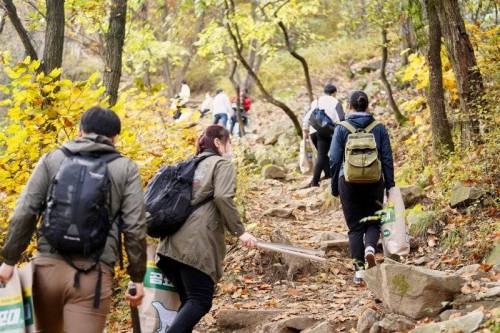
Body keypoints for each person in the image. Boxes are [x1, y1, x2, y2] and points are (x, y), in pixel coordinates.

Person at [0, 107, 147, 332]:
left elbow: (25, 211)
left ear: (80, 131)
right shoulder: (125, 168)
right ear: (115, 137)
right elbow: (135, 227)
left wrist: (9, 261)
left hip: (45, 272)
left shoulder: (52, 159)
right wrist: (137, 277)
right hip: (93, 276)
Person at [156, 125, 257, 332]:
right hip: (194, 245)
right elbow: (222, 196)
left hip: (169, 245)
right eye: (229, 142)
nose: (230, 147)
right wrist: (240, 231)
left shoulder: (188, 164)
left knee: (187, 301)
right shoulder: (222, 164)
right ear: (218, 142)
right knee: (200, 300)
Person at [329, 91, 395, 284]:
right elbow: (387, 158)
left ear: (350, 106)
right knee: (374, 222)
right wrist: (390, 185)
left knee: (355, 228)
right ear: (367, 105)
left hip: (348, 182)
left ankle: (359, 271)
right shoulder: (379, 128)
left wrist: (335, 186)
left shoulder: (341, 128)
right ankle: (370, 248)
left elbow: (333, 159)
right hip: (375, 182)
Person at [303, 84, 345, 187]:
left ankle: (328, 174)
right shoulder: (335, 102)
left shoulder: (315, 101)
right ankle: (315, 181)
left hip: (313, 131)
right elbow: (342, 118)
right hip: (325, 131)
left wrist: (305, 130)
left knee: (323, 154)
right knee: (322, 155)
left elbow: (307, 115)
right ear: (334, 93)